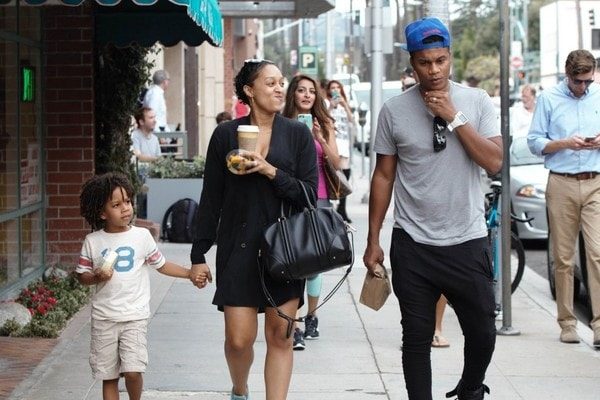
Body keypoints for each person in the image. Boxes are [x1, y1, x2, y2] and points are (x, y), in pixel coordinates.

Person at [363, 17, 502, 400]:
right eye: (425, 62)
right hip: (413, 243)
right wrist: (373, 239)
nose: (434, 70)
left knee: (483, 332)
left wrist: (453, 117)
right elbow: (383, 177)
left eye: (441, 60)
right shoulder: (393, 111)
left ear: (451, 57)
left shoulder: (476, 101)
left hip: (467, 239)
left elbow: (494, 162)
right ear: (412, 63)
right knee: (416, 337)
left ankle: (471, 388)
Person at [190, 59, 318, 400]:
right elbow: (211, 197)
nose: (279, 89)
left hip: (285, 250)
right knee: (238, 340)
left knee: (280, 336)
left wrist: (270, 171)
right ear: (249, 90)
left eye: (281, 83)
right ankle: (240, 388)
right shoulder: (225, 134)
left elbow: (309, 194)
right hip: (238, 247)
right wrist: (199, 253)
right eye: (270, 83)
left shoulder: (298, 134)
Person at [75, 172, 206, 400]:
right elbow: (82, 276)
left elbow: (162, 265)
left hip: (134, 317)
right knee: (110, 376)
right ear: (101, 212)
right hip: (104, 319)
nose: (125, 208)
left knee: (133, 371)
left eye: (127, 201)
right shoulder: (93, 241)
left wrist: (189, 274)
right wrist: (96, 277)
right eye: (116, 204)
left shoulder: (141, 236)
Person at [527, 49, 600, 348]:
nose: (583, 87)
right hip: (561, 183)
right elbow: (534, 142)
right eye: (578, 82)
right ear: (567, 76)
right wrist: (564, 143)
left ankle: (598, 324)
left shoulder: (598, 96)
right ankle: (567, 322)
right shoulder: (548, 99)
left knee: (597, 253)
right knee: (564, 257)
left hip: (595, 182)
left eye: (588, 81)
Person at [282, 74, 341, 350]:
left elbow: (338, 163)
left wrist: (319, 137)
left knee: (316, 261)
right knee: (293, 261)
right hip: (292, 198)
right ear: (293, 94)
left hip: (319, 199)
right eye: (301, 91)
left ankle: (312, 314)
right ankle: (293, 325)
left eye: (311, 92)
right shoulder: (282, 125)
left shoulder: (325, 124)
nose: (306, 95)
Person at [326, 79, 354, 223]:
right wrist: (331, 106)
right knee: (332, 175)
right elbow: (324, 117)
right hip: (332, 142)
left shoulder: (344, 104)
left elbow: (352, 121)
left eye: (338, 87)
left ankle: (342, 208)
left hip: (344, 142)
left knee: (345, 175)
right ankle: (331, 205)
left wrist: (345, 105)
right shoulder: (326, 103)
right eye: (332, 87)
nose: (335, 89)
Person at [131, 107, 161, 219]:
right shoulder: (135, 136)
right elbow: (138, 156)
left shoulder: (154, 138)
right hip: (140, 179)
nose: (154, 120)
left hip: (153, 180)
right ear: (141, 121)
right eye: (151, 117)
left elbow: (159, 159)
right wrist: (155, 160)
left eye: (154, 117)